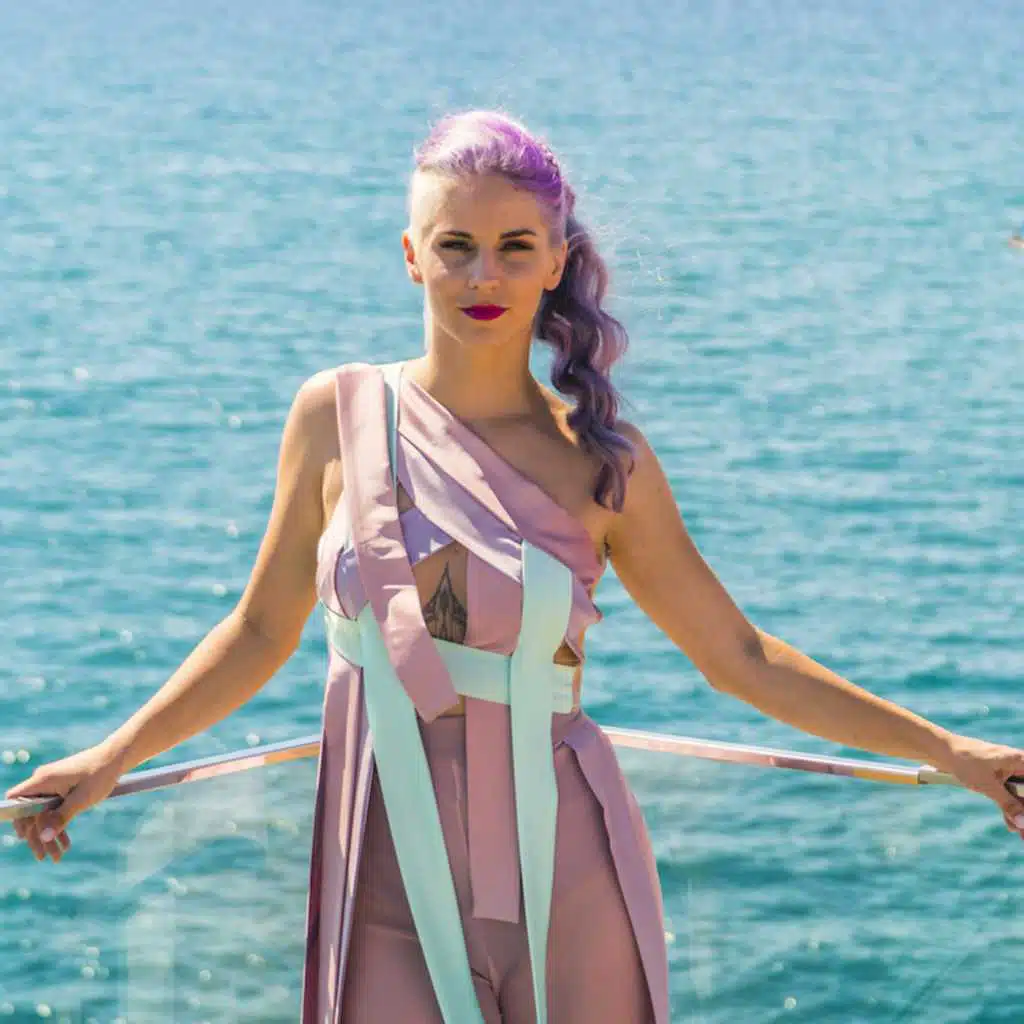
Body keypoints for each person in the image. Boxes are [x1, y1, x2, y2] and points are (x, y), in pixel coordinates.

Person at [7, 109, 1024, 1024]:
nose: (482, 277)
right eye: (455, 246)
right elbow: (260, 629)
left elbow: (739, 657)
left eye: (513, 248)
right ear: (412, 256)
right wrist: (113, 756)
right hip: (378, 866)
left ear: (555, 263)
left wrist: (950, 752)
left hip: (565, 868)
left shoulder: (601, 463)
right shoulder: (335, 415)